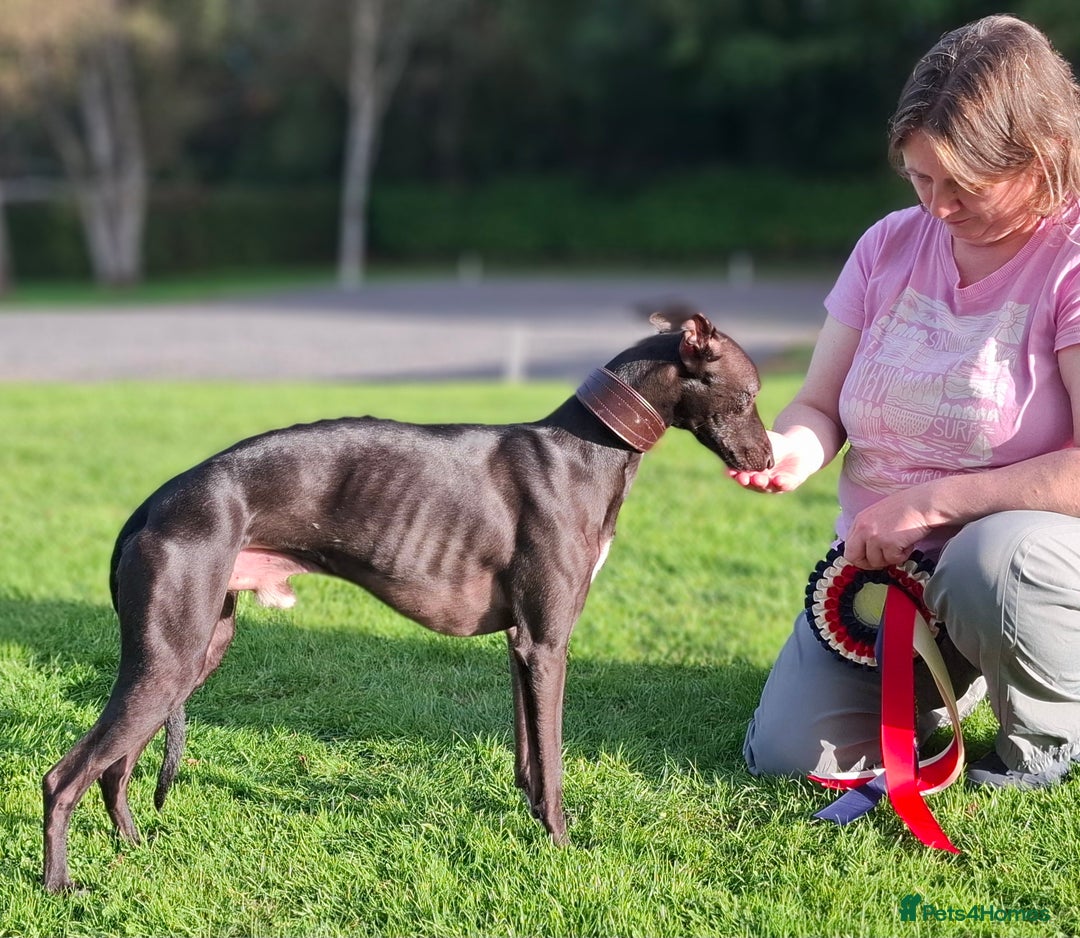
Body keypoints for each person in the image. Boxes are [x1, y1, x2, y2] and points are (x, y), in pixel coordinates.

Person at [733, 14, 1080, 789]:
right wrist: (792, 449)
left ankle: (1051, 737)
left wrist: (927, 504)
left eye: (965, 185)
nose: (939, 207)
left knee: (994, 562)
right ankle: (957, 676)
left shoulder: (1072, 260)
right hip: (884, 583)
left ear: (1043, 156)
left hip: (1025, 573)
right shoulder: (887, 244)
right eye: (922, 179)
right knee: (791, 759)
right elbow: (819, 405)